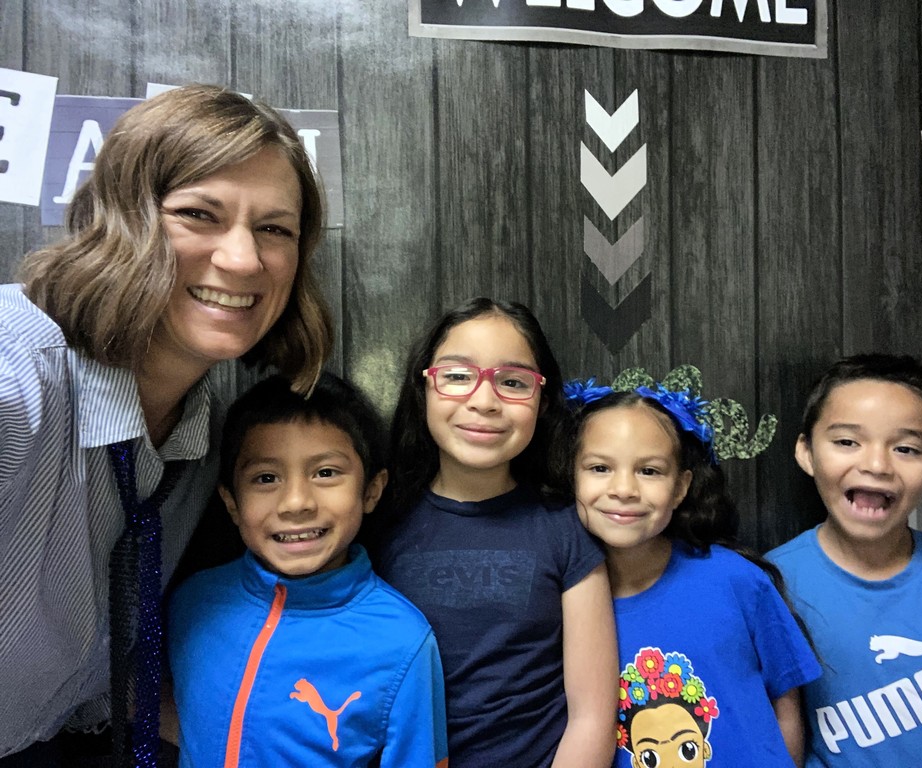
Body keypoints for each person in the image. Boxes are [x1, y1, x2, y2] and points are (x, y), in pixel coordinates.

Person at [0, 84, 332, 764]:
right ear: (118, 219)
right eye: (198, 214)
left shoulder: (205, 436)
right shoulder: (14, 380)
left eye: (274, 228)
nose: (242, 260)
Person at [370, 297, 618, 768]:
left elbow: (592, 718)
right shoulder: (378, 523)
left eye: (512, 382)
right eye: (458, 376)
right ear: (423, 387)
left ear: (542, 402)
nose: (484, 401)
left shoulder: (567, 527)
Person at [167, 373, 448, 767]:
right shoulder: (192, 602)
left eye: (326, 473)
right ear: (231, 503)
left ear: (371, 490)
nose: (296, 502)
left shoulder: (402, 640)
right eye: (266, 478)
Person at [767, 353, 922, 768]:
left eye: (906, 448)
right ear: (806, 452)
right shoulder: (771, 587)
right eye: (847, 441)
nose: (876, 464)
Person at [564, 377, 821, 768]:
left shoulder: (737, 580)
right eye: (600, 467)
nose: (624, 489)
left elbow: (785, 701)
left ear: (681, 486)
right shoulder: (559, 604)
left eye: (649, 471)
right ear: (571, 476)